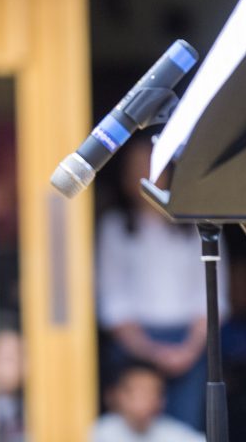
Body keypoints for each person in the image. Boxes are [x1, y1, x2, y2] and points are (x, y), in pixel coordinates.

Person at [95, 137, 227, 432]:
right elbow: (113, 300)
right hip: (134, 343)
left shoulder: (197, 224)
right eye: (138, 167)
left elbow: (212, 294)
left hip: (190, 341)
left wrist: (188, 349)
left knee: (186, 429)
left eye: (154, 166)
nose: (147, 174)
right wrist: (150, 351)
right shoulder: (115, 227)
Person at [90, 362, 205, 442]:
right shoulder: (99, 431)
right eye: (140, 391)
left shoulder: (174, 434)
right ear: (117, 395)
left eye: (154, 392)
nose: (147, 398)